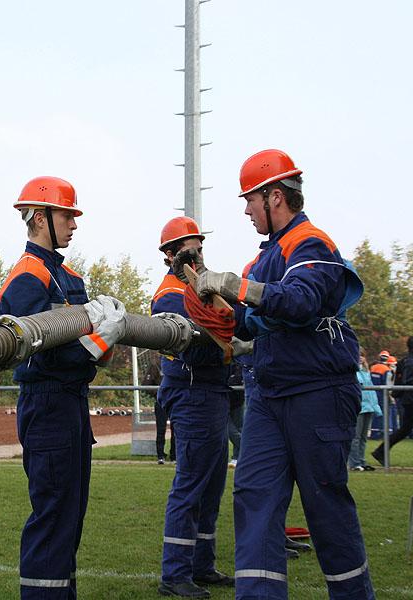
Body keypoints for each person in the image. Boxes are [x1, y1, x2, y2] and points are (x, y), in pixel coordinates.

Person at [190, 149, 374, 598]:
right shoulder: (265, 258)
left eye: (250, 200)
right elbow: (248, 319)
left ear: (275, 196)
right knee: (253, 498)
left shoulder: (311, 243)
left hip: (318, 392)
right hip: (269, 396)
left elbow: (300, 301)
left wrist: (234, 287)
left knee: (325, 504)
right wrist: (208, 300)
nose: (246, 210)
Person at [0, 175, 125, 599]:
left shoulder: (69, 276)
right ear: (39, 217)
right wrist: (104, 339)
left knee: (69, 517)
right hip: (48, 402)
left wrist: (102, 338)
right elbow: (48, 354)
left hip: (72, 402)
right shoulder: (26, 278)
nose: (74, 224)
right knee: (53, 517)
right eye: (66, 215)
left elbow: (84, 351)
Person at [151, 216, 234, 598]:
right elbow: (189, 341)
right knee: (191, 482)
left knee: (211, 484)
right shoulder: (171, 293)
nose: (197, 254)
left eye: (199, 246)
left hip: (209, 390)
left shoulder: (199, 287)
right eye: (188, 249)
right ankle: (175, 573)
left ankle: (201, 565)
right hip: (191, 390)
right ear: (170, 255)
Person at [370, 336, 413, 468]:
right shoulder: (411, 362)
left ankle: (380, 452)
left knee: (405, 430)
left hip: (411, 400)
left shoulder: (410, 361)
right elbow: (409, 382)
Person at [348, 349, 382, 472]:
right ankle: (354, 463)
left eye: (362, 355)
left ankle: (361, 461)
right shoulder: (353, 371)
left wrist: (375, 407)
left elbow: (371, 392)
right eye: (358, 355)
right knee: (356, 437)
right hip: (359, 407)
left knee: (363, 437)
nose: (361, 358)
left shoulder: (366, 372)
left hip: (368, 407)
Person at [143, 351, 176, 464]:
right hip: (161, 403)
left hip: (175, 402)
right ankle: (160, 456)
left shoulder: (177, 361)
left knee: (175, 429)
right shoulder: (156, 364)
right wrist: (159, 394)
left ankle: (174, 456)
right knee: (161, 429)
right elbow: (146, 385)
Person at [368, 352, 391, 439]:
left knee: (375, 413)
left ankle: (374, 433)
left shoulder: (373, 367)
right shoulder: (386, 369)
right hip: (382, 393)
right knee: (383, 413)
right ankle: (381, 433)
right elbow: (387, 384)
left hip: (372, 392)